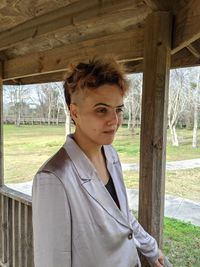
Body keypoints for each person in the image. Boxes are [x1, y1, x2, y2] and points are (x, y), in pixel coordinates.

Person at [32, 58, 165, 267]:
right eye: (101, 110)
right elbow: (51, 260)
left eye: (118, 109)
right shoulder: (53, 178)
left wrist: (150, 248)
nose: (114, 120)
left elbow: (123, 216)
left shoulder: (110, 154)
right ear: (75, 112)